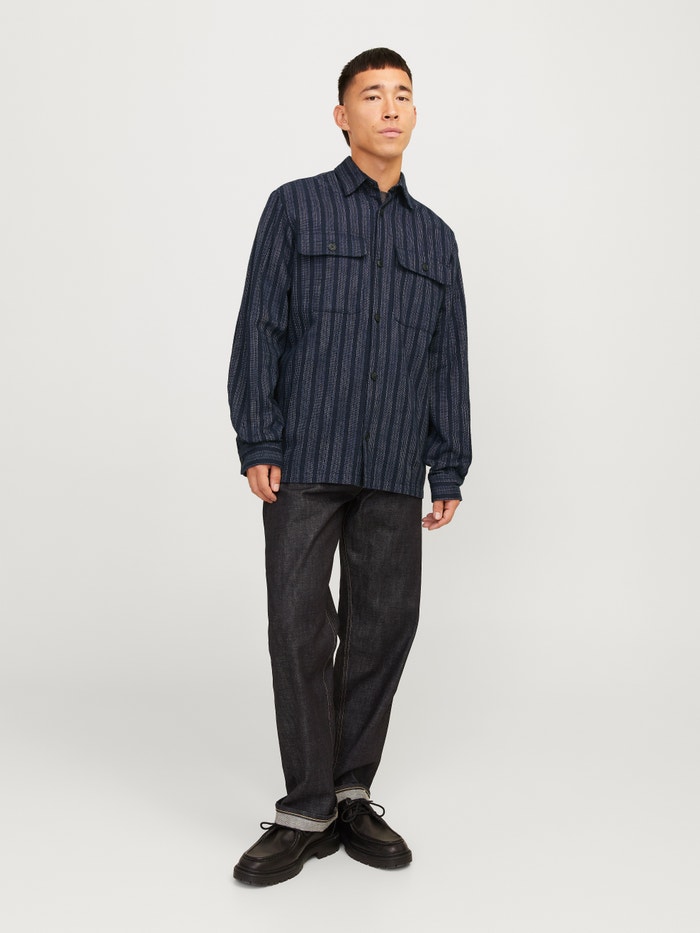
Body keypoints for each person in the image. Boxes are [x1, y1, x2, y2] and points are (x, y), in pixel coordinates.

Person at [227, 47, 471, 886]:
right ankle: (305, 807)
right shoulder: (294, 208)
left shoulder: (435, 238)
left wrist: (449, 462)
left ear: (415, 114)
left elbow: (447, 359)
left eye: (403, 95)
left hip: (396, 460)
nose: (390, 108)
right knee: (299, 622)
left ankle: (351, 791)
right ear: (343, 115)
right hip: (306, 453)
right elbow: (261, 324)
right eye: (372, 95)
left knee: (383, 625)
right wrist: (259, 438)